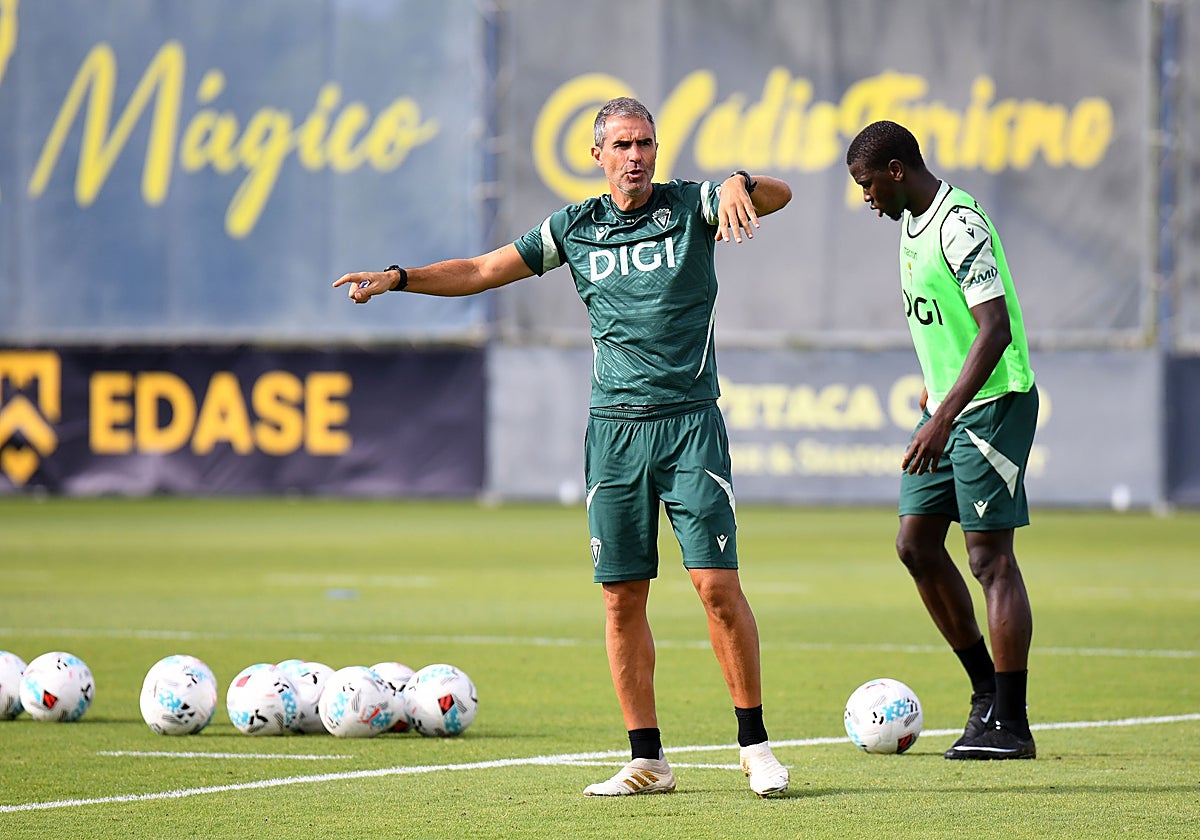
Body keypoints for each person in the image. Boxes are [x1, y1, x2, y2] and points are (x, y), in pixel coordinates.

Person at [334, 97, 793, 795]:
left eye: (647, 143)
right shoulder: (574, 227)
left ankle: (755, 746)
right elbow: (485, 270)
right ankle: (647, 759)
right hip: (613, 432)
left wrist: (739, 181)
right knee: (620, 599)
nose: (637, 156)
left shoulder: (693, 204)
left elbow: (781, 196)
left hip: (690, 424)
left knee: (718, 589)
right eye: (624, 145)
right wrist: (401, 278)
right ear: (598, 154)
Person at [845, 120, 1039, 759]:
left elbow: (994, 330)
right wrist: (936, 393)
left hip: (991, 406)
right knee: (916, 544)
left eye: (868, 183)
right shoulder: (910, 222)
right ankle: (985, 696)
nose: (866, 196)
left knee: (989, 559)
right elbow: (945, 323)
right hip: (951, 407)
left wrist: (943, 415)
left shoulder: (960, 225)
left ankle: (1011, 723)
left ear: (896, 170)